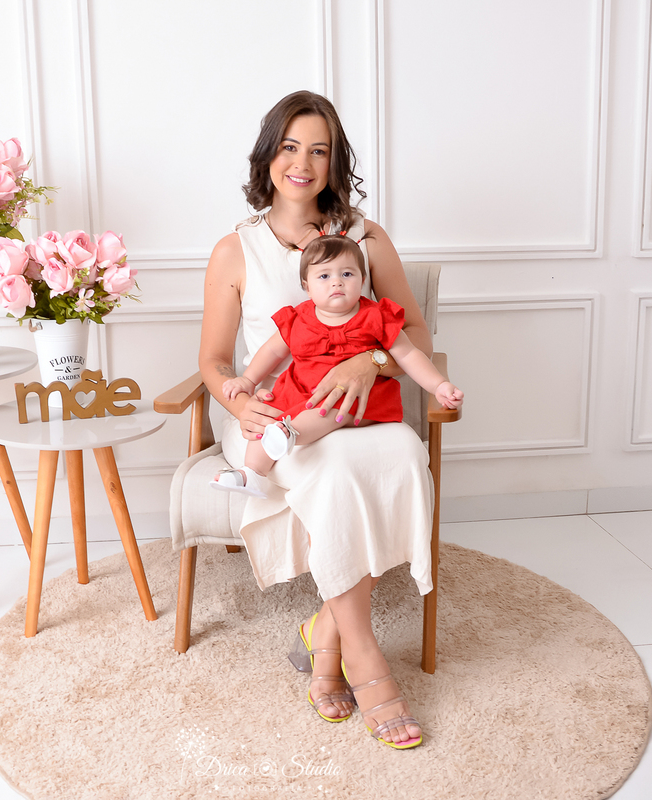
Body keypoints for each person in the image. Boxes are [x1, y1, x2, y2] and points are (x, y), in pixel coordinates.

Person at [199, 90, 462, 749]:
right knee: (335, 474)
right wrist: (238, 400)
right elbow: (211, 359)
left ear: (335, 160)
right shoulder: (235, 250)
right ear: (268, 157)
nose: (303, 163)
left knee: (402, 449)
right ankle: (365, 658)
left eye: (319, 150)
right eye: (290, 147)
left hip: (357, 409)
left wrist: (371, 364)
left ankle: (324, 640)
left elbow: (415, 334)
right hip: (272, 413)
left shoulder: (365, 239)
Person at [209, 233, 463, 499]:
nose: (337, 282)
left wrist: (439, 385)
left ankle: (291, 433)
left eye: (347, 274)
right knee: (268, 416)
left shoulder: (376, 316)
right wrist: (248, 381)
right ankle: (253, 474)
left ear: (362, 281)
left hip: (357, 400)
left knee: (328, 408)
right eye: (324, 276)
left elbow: (410, 355)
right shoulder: (299, 318)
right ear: (307, 286)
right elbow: (272, 350)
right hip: (300, 390)